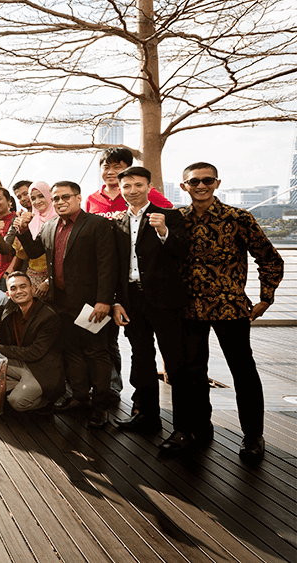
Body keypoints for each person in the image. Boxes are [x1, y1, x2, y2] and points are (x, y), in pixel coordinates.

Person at [179, 162, 284, 463]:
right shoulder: (178, 220)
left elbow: (270, 259)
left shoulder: (238, 218)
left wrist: (266, 298)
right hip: (189, 308)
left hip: (231, 307)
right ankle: (201, 428)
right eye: (194, 181)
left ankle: (253, 437)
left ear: (217, 182)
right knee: (194, 373)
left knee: (243, 372)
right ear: (184, 185)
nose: (201, 186)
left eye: (207, 180)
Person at [17, 181, 117, 429]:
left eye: (65, 197)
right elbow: (34, 251)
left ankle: (101, 406)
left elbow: (107, 265)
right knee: (72, 351)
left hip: (91, 304)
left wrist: (104, 300)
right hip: (61, 302)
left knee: (96, 353)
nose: (60, 202)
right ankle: (79, 398)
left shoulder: (97, 224)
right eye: (56, 198)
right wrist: (23, 230)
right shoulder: (50, 225)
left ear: (78, 198)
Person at [108, 167, 189, 444]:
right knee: (140, 358)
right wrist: (116, 301)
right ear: (120, 189)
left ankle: (183, 428)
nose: (133, 191)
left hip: (165, 300)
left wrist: (163, 231)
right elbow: (115, 266)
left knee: (175, 363)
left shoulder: (170, 216)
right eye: (127, 186)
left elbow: (183, 252)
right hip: (132, 299)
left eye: (139, 185)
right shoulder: (118, 222)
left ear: (149, 186)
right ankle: (147, 416)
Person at [0, 272, 63, 414]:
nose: (19, 291)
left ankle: (45, 402)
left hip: (40, 369)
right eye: (13, 288)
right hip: (18, 361)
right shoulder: (11, 306)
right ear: (8, 294)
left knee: (16, 402)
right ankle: (19, 385)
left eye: (23, 286)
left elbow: (35, 352)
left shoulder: (48, 316)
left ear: (33, 289)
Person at [86, 147, 172, 218]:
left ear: (129, 168)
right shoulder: (91, 199)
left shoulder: (144, 192)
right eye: (106, 167)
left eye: (117, 167)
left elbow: (172, 214)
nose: (110, 172)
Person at [2, 181, 53, 297]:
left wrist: (48, 281)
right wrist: (22, 229)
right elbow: (31, 252)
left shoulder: (59, 219)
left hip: (53, 277)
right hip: (33, 273)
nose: (24, 199)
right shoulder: (30, 218)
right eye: (19, 197)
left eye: (26, 194)